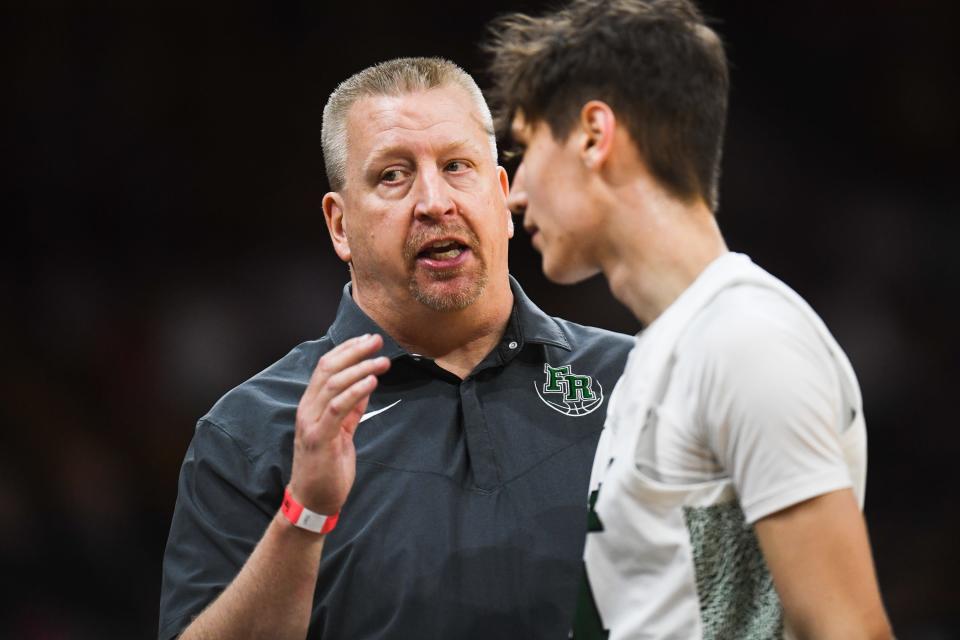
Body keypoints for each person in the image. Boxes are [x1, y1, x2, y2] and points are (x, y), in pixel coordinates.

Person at [158, 57, 633, 640]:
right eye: (392, 176)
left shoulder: (637, 380)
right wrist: (305, 512)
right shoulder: (253, 432)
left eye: (458, 166)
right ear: (340, 226)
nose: (434, 201)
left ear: (503, 196)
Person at [484, 1, 894, 638]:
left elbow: (847, 628)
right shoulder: (661, 354)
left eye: (528, 147)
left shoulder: (745, 339)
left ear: (595, 135)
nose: (512, 191)